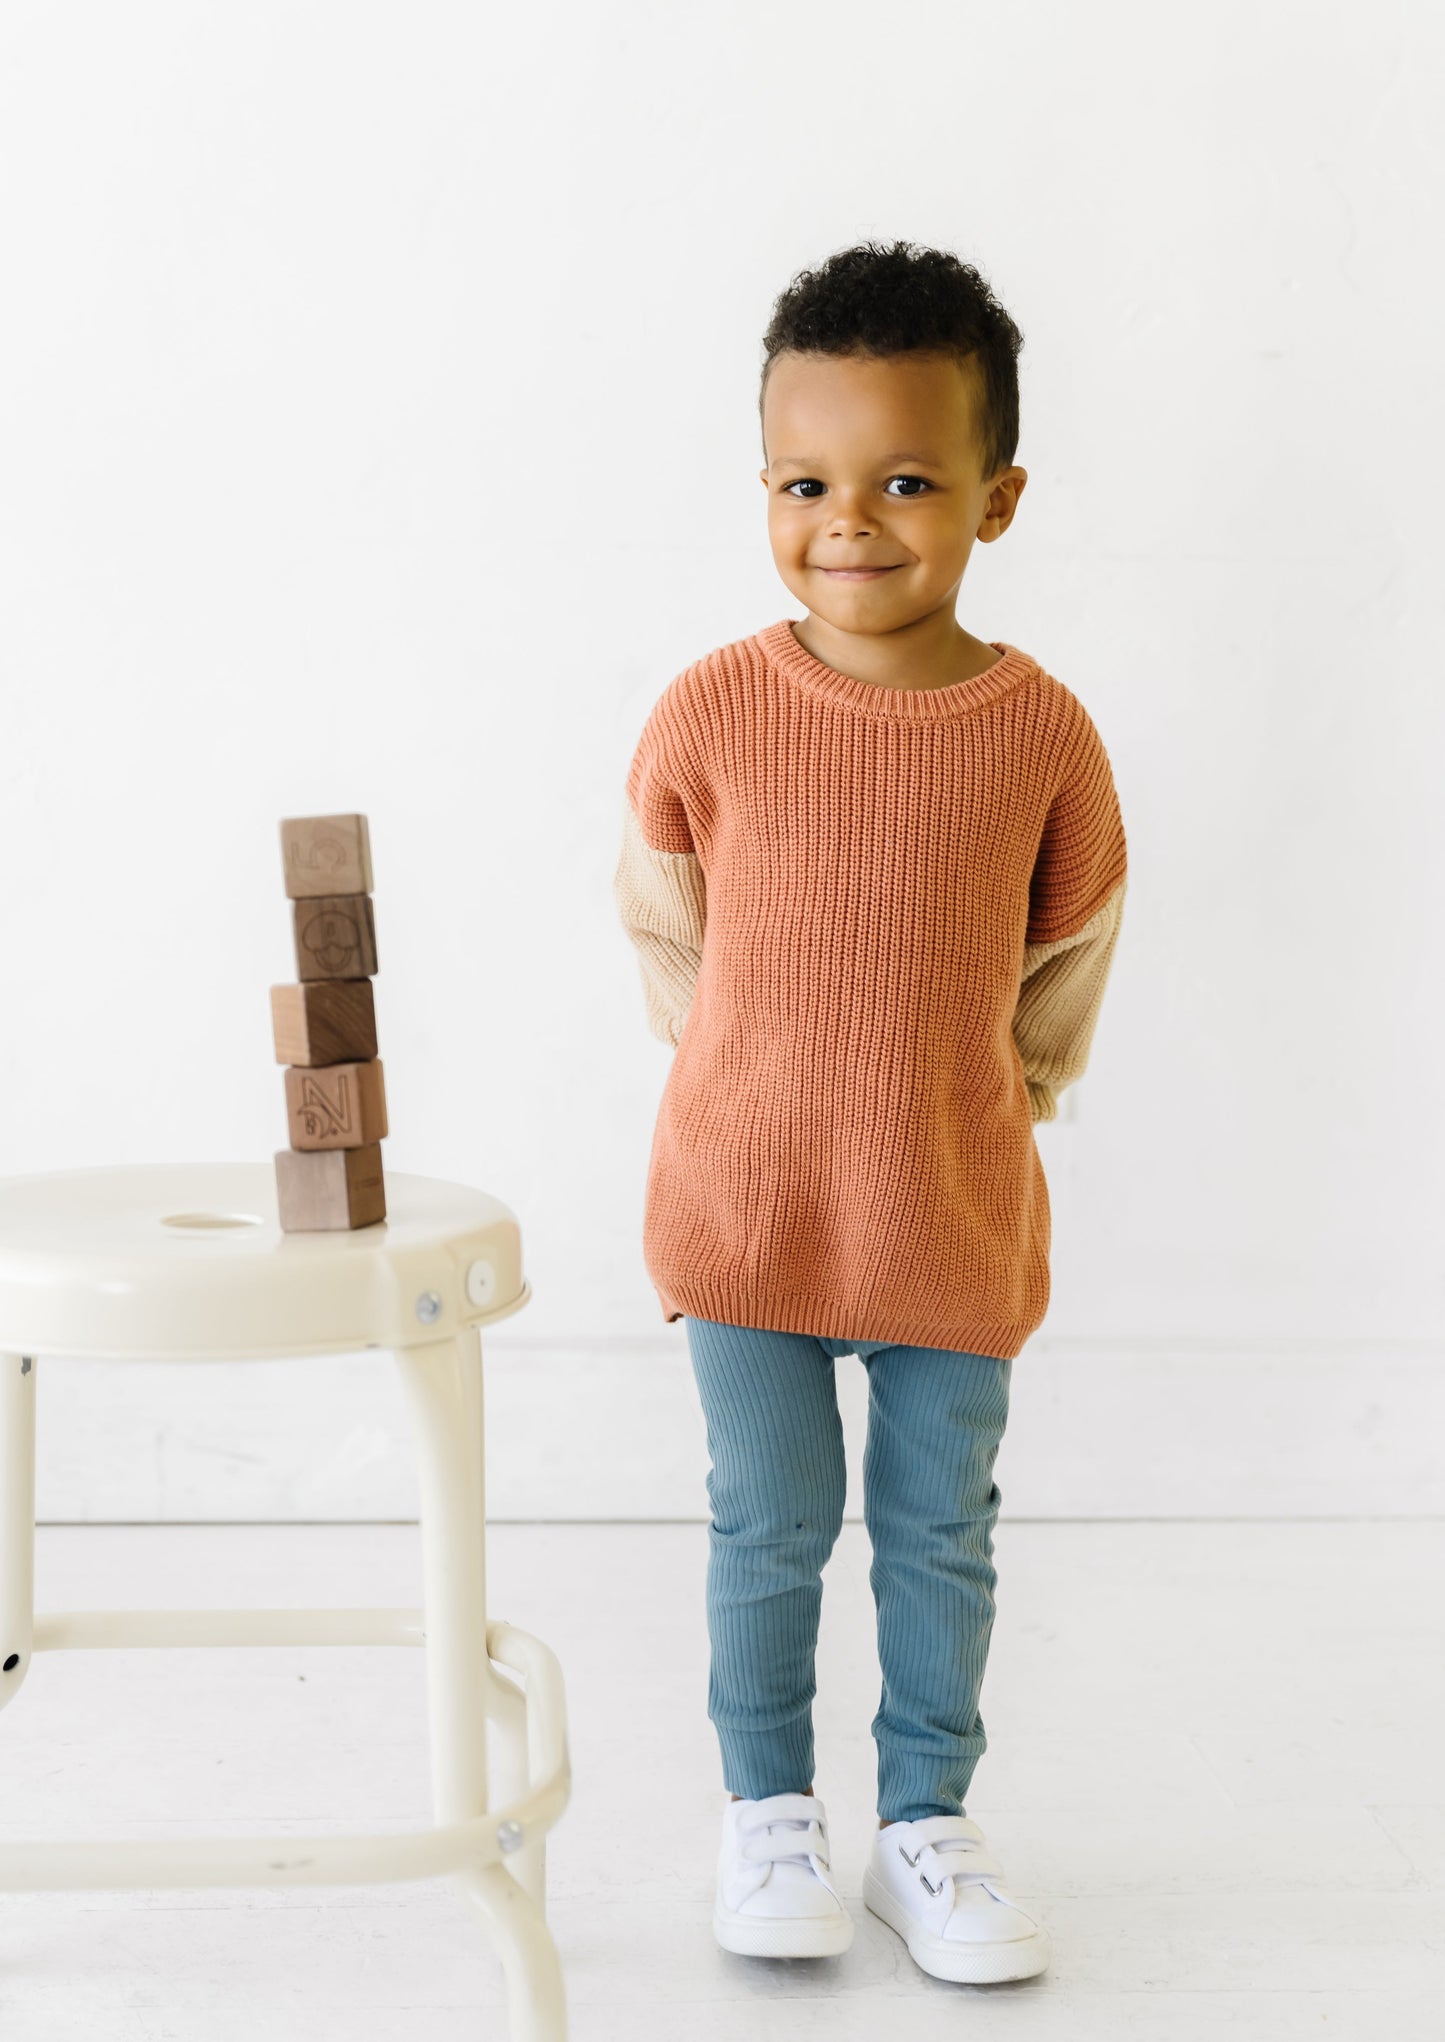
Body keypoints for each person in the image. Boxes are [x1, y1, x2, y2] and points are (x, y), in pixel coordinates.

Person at [612, 239, 1128, 1986]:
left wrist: (996, 1093)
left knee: (937, 1528)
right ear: (763, 486)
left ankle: (926, 1819)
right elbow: (666, 922)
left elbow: (1067, 948)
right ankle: (769, 1811)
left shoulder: (1040, 730)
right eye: (804, 482)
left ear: (996, 496)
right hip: (742, 1207)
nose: (851, 519)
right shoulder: (710, 710)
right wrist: (744, 1076)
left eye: (907, 480)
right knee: (763, 1525)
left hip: (949, 1208)